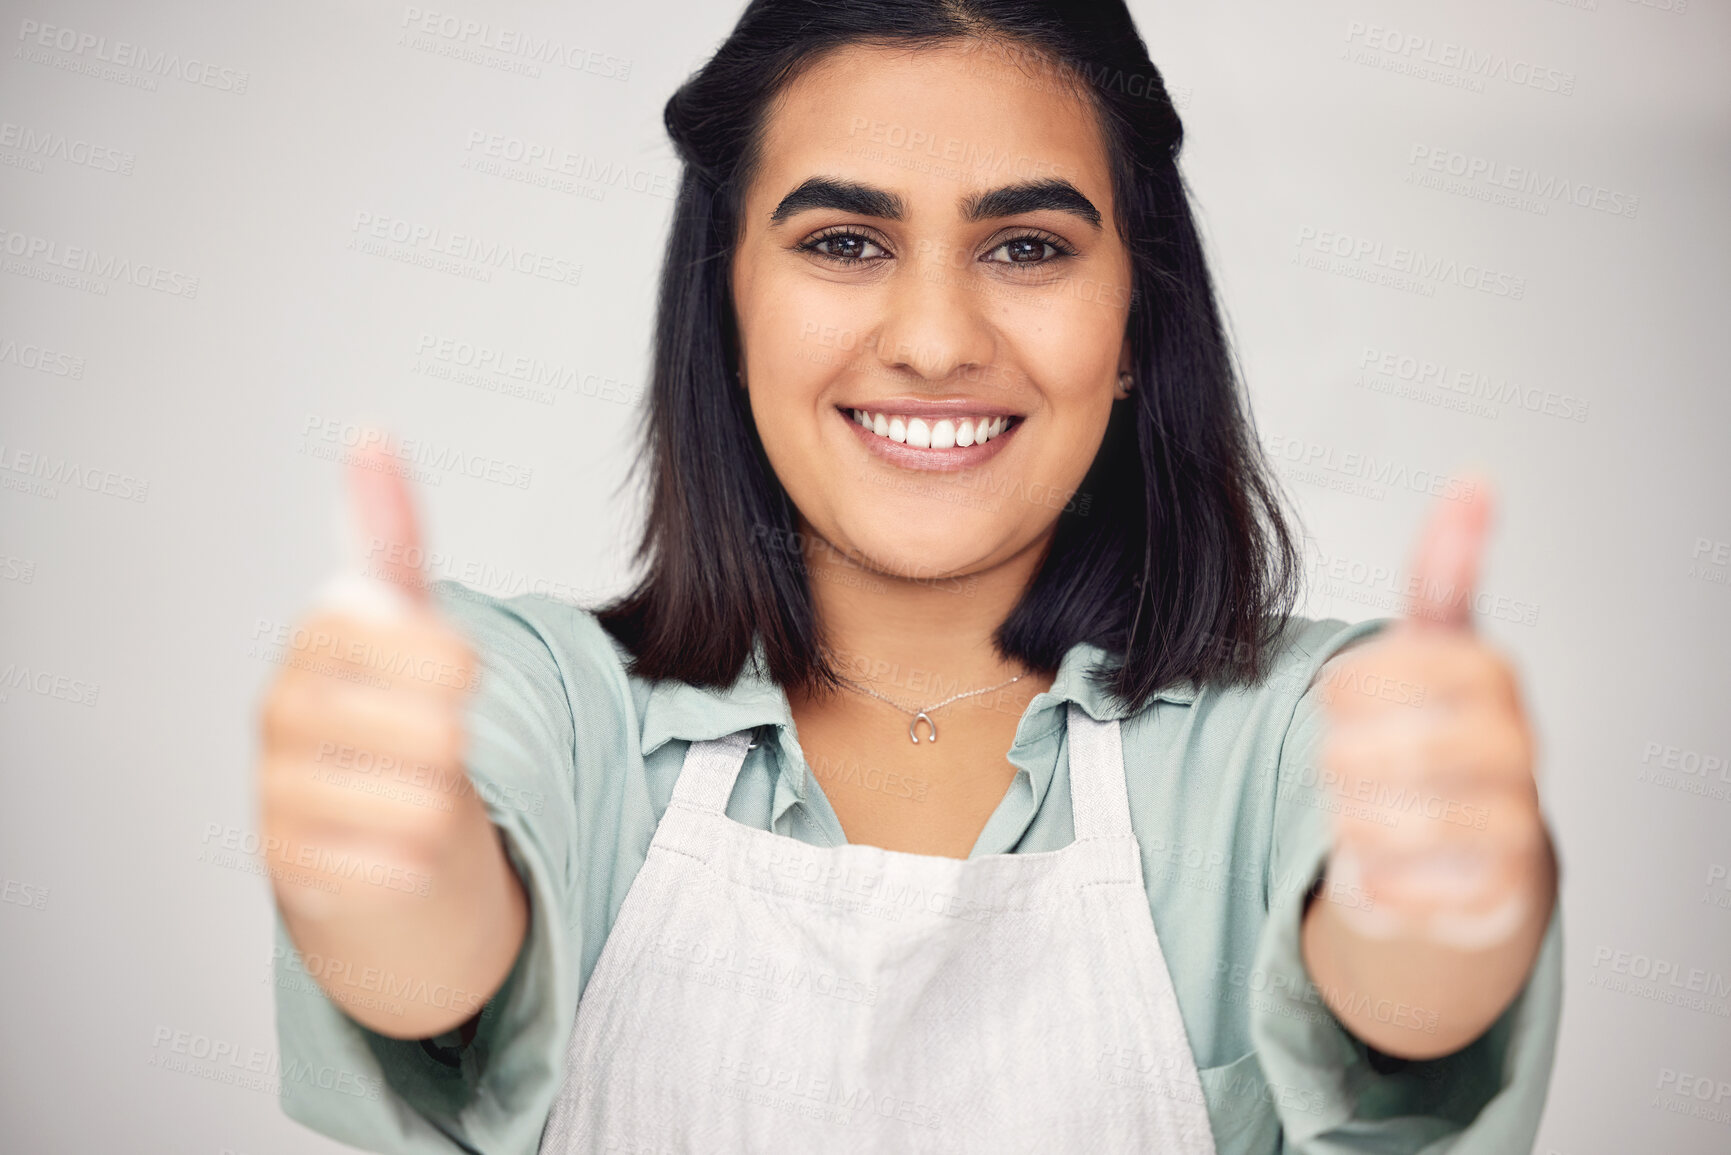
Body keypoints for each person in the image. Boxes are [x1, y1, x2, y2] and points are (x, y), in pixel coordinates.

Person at [258, 2, 1561, 1151]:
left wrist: (1432, 904)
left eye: (1029, 247)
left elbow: (1406, 1009)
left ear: (1133, 326)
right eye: (842, 242)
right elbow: (424, 959)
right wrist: (383, 861)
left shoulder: (1300, 737)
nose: (936, 341)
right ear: (727, 305)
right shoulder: (550, 705)